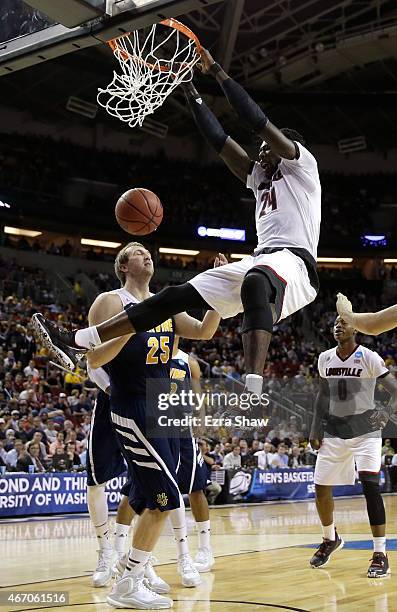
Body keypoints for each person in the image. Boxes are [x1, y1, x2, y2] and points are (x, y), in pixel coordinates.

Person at [32, 50, 321, 413]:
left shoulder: (303, 166)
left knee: (255, 281)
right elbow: (218, 140)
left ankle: (253, 387)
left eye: (265, 148)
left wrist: (215, 70)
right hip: (264, 261)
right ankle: (78, 341)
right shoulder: (260, 180)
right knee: (173, 297)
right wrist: (192, 92)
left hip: (297, 265)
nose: (259, 153)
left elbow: (256, 119)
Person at [84, 242, 221, 609]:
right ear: (123, 265)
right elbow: (94, 357)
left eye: (148, 251)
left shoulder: (165, 302)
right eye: (136, 251)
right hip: (132, 402)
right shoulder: (111, 302)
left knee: (153, 497)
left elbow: (205, 332)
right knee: (165, 497)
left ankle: (135, 573)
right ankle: (127, 580)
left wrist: (218, 290)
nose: (146, 255)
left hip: (162, 406)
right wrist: (133, 324)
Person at [309, 315, 397, 578]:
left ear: (356, 328)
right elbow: (323, 394)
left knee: (371, 488)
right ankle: (330, 538)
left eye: (344, 322)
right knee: (321, 488)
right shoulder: (325, 357)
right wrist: (314, 426)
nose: (338, 326)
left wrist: (386, 413)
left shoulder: (369, 357)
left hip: (365, 431)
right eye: (335, 323)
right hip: (334, 429)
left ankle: (380, 553)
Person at [169, 337, 214, 573]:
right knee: (164, 489)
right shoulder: (150, 354)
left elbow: (197, 395)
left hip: (184, 427)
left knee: (196, 487)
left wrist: (202, 418)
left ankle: (205, 548)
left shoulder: (188, 361)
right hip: (159, 427)